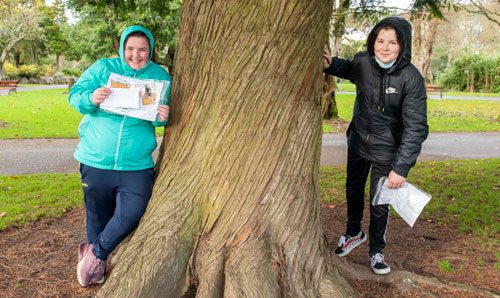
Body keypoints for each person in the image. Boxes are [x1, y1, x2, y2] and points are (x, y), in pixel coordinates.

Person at [323, 17, 428, 274]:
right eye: (380, 40)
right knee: (353, 190)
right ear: (373, 41)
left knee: (380, 202)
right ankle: (353, 233)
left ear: (402, 45)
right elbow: (348, 69)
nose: (384, 47)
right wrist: (330, 64)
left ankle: (376, 251)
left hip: (387, 150)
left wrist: (401, 168)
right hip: (358, 141)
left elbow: (416, 128)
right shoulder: (363, 62)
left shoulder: (411, 78)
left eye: (392, 42)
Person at [69, 25, 171, 287]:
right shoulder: (104, 68)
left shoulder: (159, 75)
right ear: (123, 48)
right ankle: (96, 267)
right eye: (131, 49)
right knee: (97, 217)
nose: (136, 55)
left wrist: (163, 117)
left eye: (142, 50)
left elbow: (159, 118)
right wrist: (92, 97)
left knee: (132, 213)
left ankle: (94, 254)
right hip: (95, 159)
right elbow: (75, 96)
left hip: (136, 163)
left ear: (150, 50)